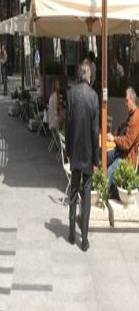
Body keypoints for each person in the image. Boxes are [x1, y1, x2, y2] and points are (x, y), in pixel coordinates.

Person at [66, 60, 100, 251]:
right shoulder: (93, 96)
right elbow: (95, 131)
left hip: (75, 153)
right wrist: (96, 158)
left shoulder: (71, 94)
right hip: (87, 153)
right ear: (89, 76)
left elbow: (68, 125)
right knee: (86, 195)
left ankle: (72, 234)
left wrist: (68, 151)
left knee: (73, 192)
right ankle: (84, 239)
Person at [106, 87, 139, 194]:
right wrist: (119, 129)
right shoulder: (131, 115)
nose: (125, 103)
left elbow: (127, 143)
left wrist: (114, 138)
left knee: (109, 171)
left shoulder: (136, 118)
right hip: (120, 152)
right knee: (103, 157)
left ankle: (103, 194)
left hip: (127, 158)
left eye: (126, 101)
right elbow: (125, 129)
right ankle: (98, 184)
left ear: (132, 100)